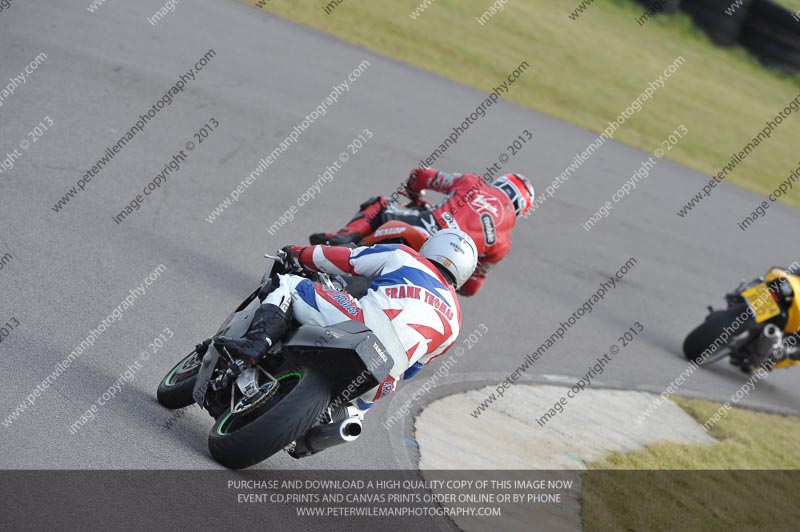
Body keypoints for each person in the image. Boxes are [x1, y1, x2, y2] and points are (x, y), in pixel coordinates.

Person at [215, 229, 478, 408]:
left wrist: (297, 253)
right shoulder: (455, 323)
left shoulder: (405, 256)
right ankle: (329, 422)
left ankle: (255, 346)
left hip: (357, 325)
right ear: (464, 273)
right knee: (357, 409)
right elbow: (412, 371)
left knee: (289, 284)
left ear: (432, 245)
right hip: (384, 378)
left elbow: (347, 260)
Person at [309, 168, 534, 296]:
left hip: (421, 228)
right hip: (442, 269)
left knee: (381, 204)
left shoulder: (473, 182)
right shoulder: (503, 243)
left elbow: (421, 175)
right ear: (520, 209)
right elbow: (471, 287)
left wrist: (413, 193)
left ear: (500, 183)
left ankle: (339, 242)